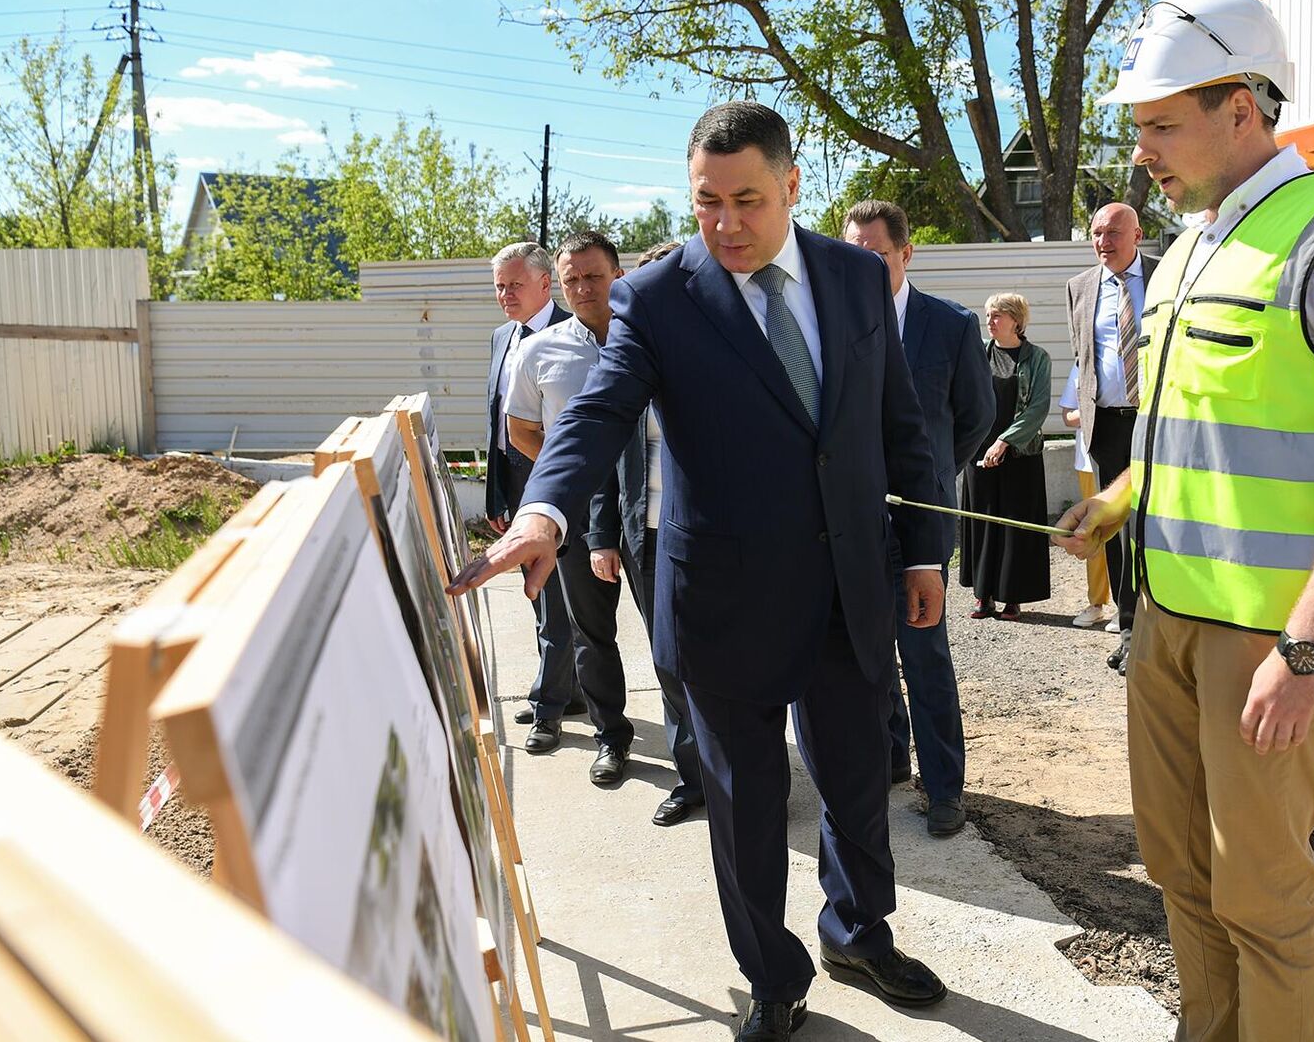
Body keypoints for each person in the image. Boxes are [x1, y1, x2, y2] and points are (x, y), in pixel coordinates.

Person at [449, 101, 949, 1042]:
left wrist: (922, 548)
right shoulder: (657, 296)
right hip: (723, 603)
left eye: (747, 200)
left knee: (855, 783)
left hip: (849, 589)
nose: (724, 223)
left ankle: (856, 931)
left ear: (794, 188)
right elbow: (596, 414)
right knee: (747, 806)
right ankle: (773, 975)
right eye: (706, 202)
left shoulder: (852, 277)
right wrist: (547, 510)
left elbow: (898, 425)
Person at [1057, 0, 1314, 1040]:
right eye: (1138, 127)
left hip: (1271, 638)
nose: (1144, 150)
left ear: (1245, 108)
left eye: (1161, 123)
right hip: (1167, 615)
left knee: (1264, 899)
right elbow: (1199, 433)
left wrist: (1306, 649)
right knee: (1181, 873)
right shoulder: (1186, 249)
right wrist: (1122, 502)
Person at [840, 199, 993, 837]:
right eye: (853, 255)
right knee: (864, 650)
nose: (864, 267)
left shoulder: (950, 326)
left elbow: (976, 417)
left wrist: (924, 479)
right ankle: (889, 759)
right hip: (850, 517)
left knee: (923, 650)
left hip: (921, 519)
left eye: (875, 254)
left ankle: (945, 787)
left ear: (906, 254)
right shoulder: (834, 322)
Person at [505, 231, 643, 782]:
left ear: (618, 275)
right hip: (580, 518)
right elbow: (521, 430)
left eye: (595, 275)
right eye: (572, 279)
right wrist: (572, 478)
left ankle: (696, 754)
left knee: (673, 639)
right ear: (558, 284)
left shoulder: (650, 339)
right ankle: (612, 738)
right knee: (591, 635)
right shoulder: (539, 351)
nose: (584, 287)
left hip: (651, 511)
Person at [583, 239, 705, 826]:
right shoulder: (626, 360)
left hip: (715, 537)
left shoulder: (718, 353)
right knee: (670, 661)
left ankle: (756, 777)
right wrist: (601, 535)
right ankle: (695, 778)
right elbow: (604, 454)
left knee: (734, 662)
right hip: (648, 539)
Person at [484, 242, 580, 738]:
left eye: (514, 285)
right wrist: (496, 495)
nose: (504, 295)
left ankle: (549, 708)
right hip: (517, 488)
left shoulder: (574, 333)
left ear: (546, 283)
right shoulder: (503, 337)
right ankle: (573, 689)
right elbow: (498, 422)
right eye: (499, 286)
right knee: (539, 599)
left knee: (555, 598)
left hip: (559, 489)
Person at [1066, 202, 1157, 672]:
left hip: (1156, 420)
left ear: (1137, 235)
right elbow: (1083, 357)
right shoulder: (1079, 288)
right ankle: (1128, 632)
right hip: (1106, 425)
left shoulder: (1167, 277)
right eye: (1097, 233)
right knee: (1114, 529)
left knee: (1156, 524)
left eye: (1113, 232)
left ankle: (1161, 626)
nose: (1103, 241)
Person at [960, 293, 1050, 621]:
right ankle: (983, 596)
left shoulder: (1037, 358)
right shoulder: (976, 353)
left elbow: (1038, 408)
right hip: (978, 451)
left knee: (1016, 526)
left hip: (1020, 453)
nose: (990, 321)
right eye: (988, 315)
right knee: (982, 522)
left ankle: (1013, 597)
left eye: (997, 315)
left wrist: (1005, 441)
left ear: (1016, 320)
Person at [1060, 365, 1115, 631]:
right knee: (1091, 533)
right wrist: (1094, 415)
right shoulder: (1082, 364)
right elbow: (1067, 415)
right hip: (1088, 460)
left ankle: (1124, 604)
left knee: (1123, 534)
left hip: (1123, 460)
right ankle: (1096, 602)